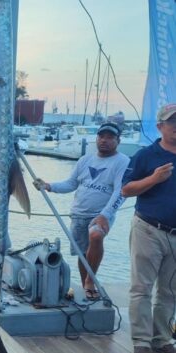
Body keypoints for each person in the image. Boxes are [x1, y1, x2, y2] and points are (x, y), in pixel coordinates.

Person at [33, 122, 130, 300]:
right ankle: (86, 282)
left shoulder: (122, 161)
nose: (105, 140)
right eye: (102, 136)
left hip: (100, 215)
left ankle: (90, 282)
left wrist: (105, 215)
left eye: (110, 137)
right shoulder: (85, 159)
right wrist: (48, 186)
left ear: (118, 140)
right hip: (78, 213)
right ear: (97, 138)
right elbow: (71, 184)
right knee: (82, 252)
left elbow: (120, 192)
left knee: (96, 236)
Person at [121, 103, 176, 353]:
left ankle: (163, 339)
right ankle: (142, 341)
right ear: (160, 126)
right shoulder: (146, 155)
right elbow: (126, 189)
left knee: (169, 290)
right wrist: (154, 179)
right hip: (148, 229)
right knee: (141, 288)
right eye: (172, 122)